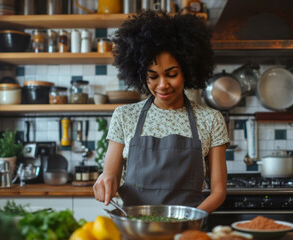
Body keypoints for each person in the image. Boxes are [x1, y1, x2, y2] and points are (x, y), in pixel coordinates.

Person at [93, 10, 229, 213]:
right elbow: (110, 174)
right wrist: (105, 181)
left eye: (171, 74)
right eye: (153, 76)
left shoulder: (211, 119)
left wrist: (188, 221)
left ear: (188, 70)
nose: (162, 85)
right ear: (140, 74)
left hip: (188, 229)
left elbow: (218, 192)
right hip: (136, 227)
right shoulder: (124, 116)